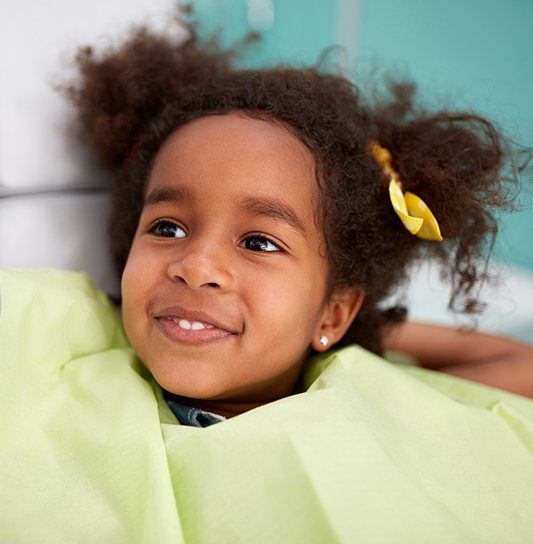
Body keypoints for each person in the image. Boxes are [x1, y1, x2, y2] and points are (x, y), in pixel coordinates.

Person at [2, 5, 533, 542]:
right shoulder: (63, 340)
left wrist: (335, 331)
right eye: (167, 228)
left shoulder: (367, 397)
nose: (195, 265)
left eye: (258, 241)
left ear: (336, 310)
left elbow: (519, 363)